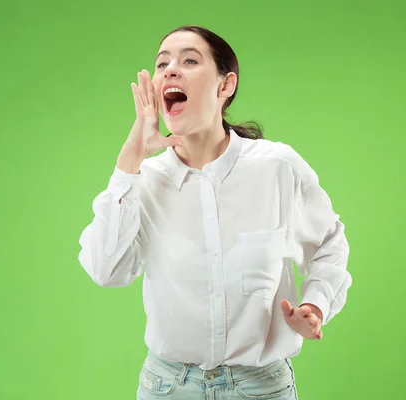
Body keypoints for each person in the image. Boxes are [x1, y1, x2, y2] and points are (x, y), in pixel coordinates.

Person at [78, 25, 352, 400]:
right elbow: (107, 270)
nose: (170, 70)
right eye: (162, 64)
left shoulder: (277, 167)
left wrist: (315, 305)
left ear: (225, 86)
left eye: (189, 60)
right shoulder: (144, 180)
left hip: (262, 387)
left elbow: (328, 246)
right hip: (168, 388)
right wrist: (131, 158)